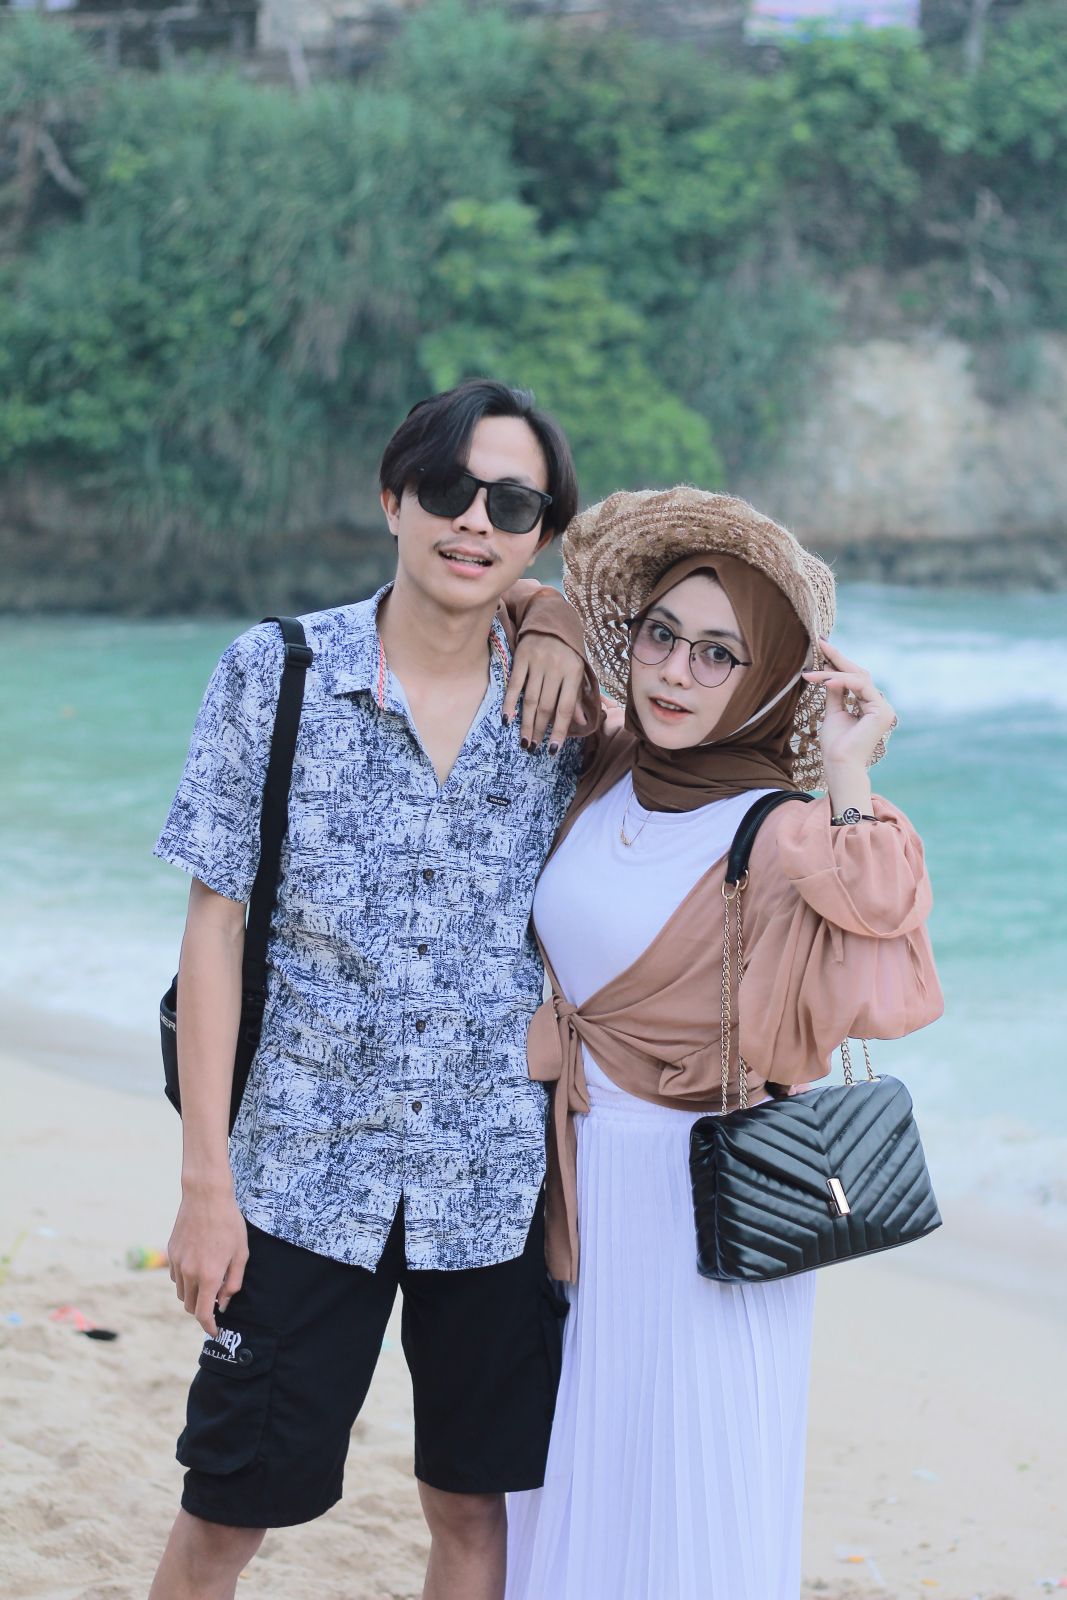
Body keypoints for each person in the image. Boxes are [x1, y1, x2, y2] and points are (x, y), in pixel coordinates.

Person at [148, 379, 602, 1600]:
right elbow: (213, 931)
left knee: (474, 1507)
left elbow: (736, 687)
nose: (475, 521)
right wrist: (205, 1184)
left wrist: (557, 621)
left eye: (512, 504)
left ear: (540, 533)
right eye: (449, 489)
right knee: (226, 1503)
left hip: (490, 1184)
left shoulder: (564, 710)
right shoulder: (277, 673)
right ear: (394, 498)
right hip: (298, 1173)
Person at [505, 487, 944, 1600]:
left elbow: (883, 905)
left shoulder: (783, 825)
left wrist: (848, 766)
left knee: (691, 1481)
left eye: (717, 654)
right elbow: (492, 596)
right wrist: (554, 622)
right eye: (659, 635)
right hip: (573, 1181)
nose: (673, 673)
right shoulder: (608, 763)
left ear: (767, 678)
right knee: (573, 1471)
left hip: (705, 1194)